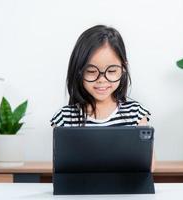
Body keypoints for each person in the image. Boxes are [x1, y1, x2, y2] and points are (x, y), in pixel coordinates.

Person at [50, 25, 154, 170]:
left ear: (123, 68)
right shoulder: (65, 117)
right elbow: (60, 167)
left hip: (125, 190)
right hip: (80, 191)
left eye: (111, 71)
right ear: (78, 71)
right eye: (91, 71)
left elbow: (148, 165)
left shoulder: (136, 114)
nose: (102, 79)